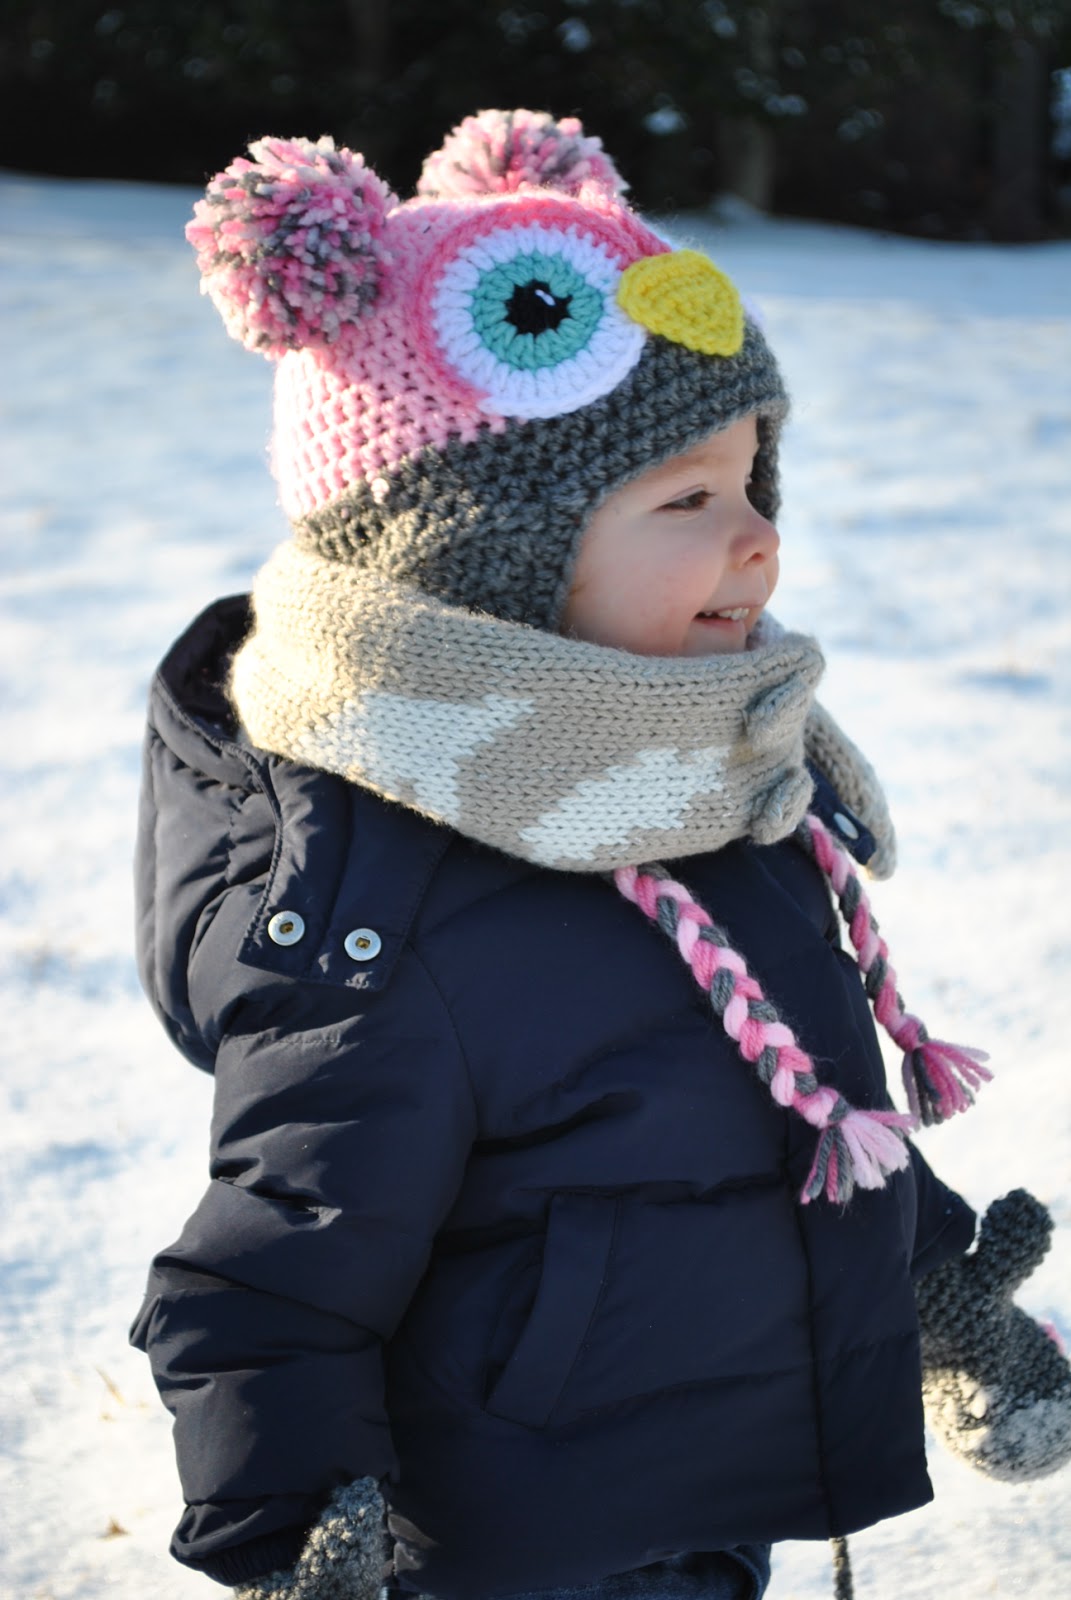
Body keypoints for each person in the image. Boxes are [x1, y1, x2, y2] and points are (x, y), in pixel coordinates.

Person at [131, 111, 1071, 1600]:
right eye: (686, 500)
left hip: (725, 1494)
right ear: (481, 559)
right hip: (518, 1543)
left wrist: (940, 1291)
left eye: (756, 484)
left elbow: (802, 1105)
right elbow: (285, 1258)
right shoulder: (395, 896)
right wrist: (293, 1523)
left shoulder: (714, 780)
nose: (758, 541)